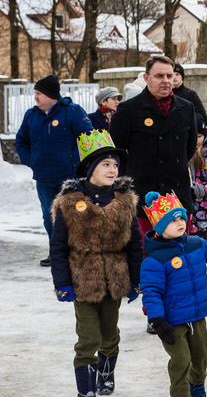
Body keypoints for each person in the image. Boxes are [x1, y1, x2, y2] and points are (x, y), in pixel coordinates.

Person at [50, 131, 142, 397]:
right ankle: (85, 391)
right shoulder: (71, 203)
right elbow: (58, 247)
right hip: (83, 283)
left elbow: (135, 245)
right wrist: (63, 283)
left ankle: (106, 373)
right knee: (88, 339)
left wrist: (136, 280)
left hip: (115, 280)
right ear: (90, 168)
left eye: (115, 164)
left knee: (110, 337)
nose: (113, 169)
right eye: (105, 164)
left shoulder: (124, 202)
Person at [141, 191, 207, 397]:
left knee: (203, 352)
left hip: (197, 315)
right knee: (181, 359)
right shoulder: (154, 260)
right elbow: (151, 292)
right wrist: (157, 319)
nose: (180, 223)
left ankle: (197, 384)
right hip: (172, 321)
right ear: (159, 227)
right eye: (172, 220)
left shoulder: (194, 244)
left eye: (181, 218)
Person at [110, 56, 197, 241]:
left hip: (177, 196)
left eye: (169, 75)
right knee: (147, 257)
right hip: (144, 198)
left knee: (178, 257)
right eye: (159, 76)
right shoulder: (129, 110)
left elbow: (189, 148)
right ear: (146, 78)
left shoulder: (187, 108)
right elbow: (116, 150)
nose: (166, 80)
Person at [16, 74, 93, 265]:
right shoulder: (31, 115)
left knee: (74, 216)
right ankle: (57, 253)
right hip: (43, 177)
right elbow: (20, 141)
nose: (35, 97)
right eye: (35, 93)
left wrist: (83, 166)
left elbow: (88, 138)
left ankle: (77, 252)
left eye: (39, 93)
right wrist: (30, 159)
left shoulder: (72, 111)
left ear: (51, 95)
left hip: (70, 178)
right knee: (49, 217)